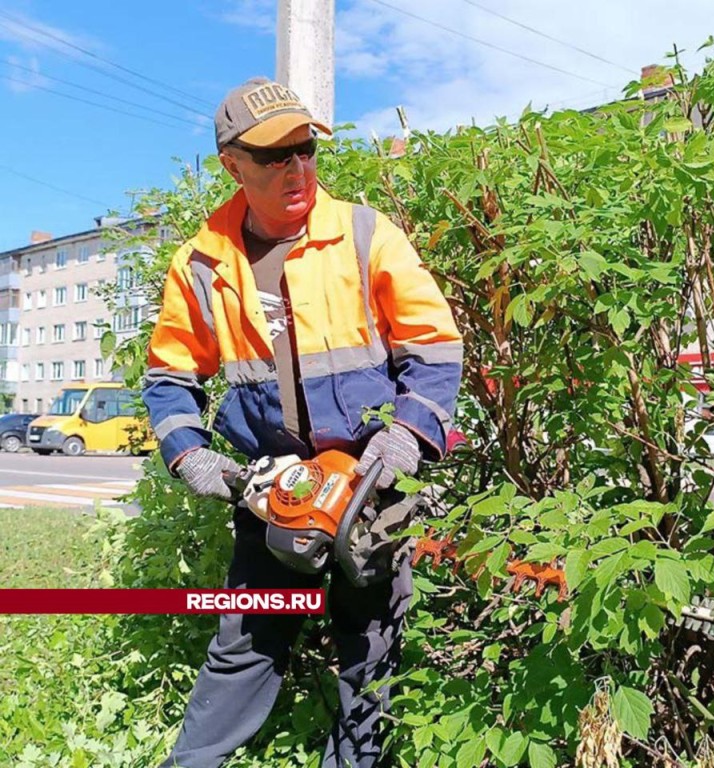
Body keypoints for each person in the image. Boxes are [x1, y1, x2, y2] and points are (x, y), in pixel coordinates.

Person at [142, 77, 463, 768]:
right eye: (274, 156)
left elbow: (434, 348)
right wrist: (193, 456)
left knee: (371, 648)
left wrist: (404, 436)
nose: (297, 169)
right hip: (277, 494)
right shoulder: (201, 265)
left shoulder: (363, 232)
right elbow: (170, 378)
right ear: (233, 165)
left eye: (306, 149)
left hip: (370, 490)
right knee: (246, 647)